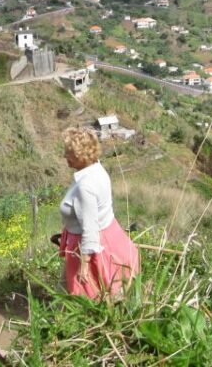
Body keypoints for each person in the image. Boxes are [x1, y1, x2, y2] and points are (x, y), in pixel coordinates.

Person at [58, 127, 140, 298]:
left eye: (69, 153)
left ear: (81, 154)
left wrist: (84, 264)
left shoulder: (85, 186)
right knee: (106, 290)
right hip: (109, 237)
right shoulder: (97, 170)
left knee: (83, 294)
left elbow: (90, 227)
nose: (65, 156)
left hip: (87, 245)